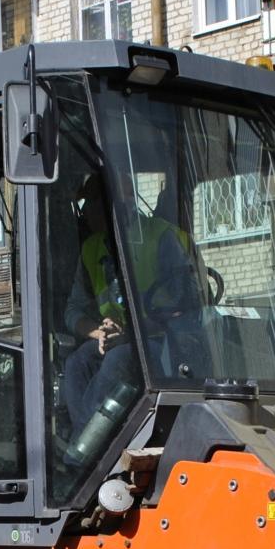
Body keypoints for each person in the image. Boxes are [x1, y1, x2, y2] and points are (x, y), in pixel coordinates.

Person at [57, 173, 201, 436]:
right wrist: (99, 332)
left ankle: (90, 443)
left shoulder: (161, 237)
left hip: (163, 341)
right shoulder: (91, 249)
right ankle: (84, 441)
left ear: (117, 204)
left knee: (117, 360)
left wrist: (130, 333)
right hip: (118, 339)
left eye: (92, 204)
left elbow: (187, 306)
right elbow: (73, 310)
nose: (86, 213)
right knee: (77, 363)